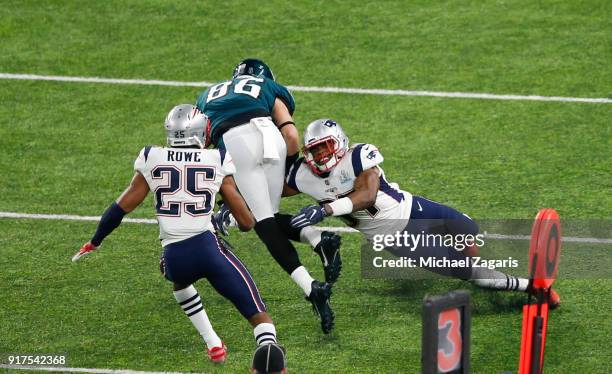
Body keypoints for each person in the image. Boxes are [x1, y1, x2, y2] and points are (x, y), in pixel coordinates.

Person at [72, 104, 282, 364]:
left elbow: (120, 208)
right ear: (198, 133)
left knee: (178, 277)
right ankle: (270, 357)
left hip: (174, 258)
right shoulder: (217, 158)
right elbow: (247, 223)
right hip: (209, 251)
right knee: (260, 319)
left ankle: (213, 343)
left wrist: (95, 240)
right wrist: (224, 214)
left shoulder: (152, 157)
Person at [282, 118, 560, 308]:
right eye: (314, 151)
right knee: (465, 271)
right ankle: (531, 287)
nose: (319, 156)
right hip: (394, 236)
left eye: (324, 148)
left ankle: (481, 272)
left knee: (468, 230)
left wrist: (326, 209)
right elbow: (271, 187)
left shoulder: (358, 155)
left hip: (412, 206)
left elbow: (366, 196)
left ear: (339, 142)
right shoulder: (304, 176)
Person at [196, 59, 337, 333]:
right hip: (272, 139)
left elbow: (201, 152)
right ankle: (318, 239)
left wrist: (221, 193)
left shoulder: (207, 96)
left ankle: (312, 288)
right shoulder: (269, 87)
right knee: (267, 220)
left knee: (262, 224)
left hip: (235, 142)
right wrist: (287, 165)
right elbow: (291, 135)